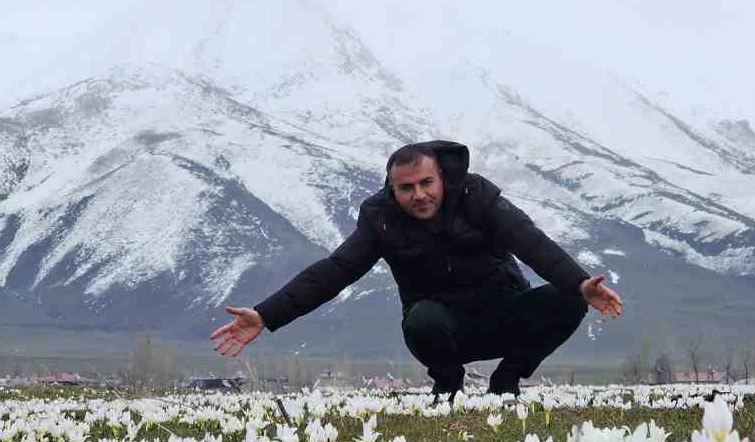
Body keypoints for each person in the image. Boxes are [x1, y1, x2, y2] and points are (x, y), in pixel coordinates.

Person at [209, 140, 623, 398]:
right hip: (444, 329)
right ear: (393, 190)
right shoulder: (380, 219)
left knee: (568, 299)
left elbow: (530, 241)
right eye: (406, 188)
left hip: (507, 313)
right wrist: (266, 314)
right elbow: (335, 271)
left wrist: (580, 282)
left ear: (442, 178)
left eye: (426, 183)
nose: (419, 195)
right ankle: (447, 384)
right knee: (422, 319)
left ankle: (507, 381)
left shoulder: (478, 197)